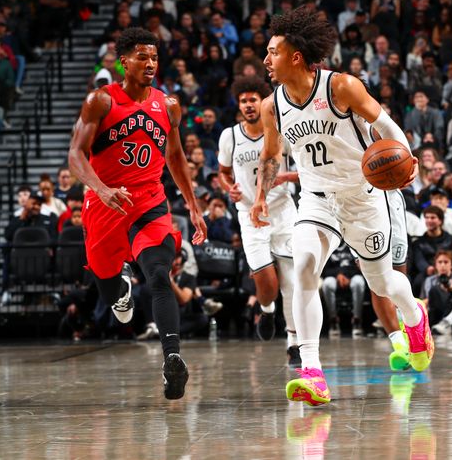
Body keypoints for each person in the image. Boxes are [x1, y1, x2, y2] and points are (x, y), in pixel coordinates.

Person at [252, 6, 432, 407]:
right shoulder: (272, 106)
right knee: (303, 266)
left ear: (295, 56)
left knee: (383, 284)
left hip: (364, 197)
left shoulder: (341, 87)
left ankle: (416, 318)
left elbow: (383, 125)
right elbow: (270, 156)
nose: (266, 60)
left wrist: (406, 154)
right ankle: (312, 372)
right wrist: (261, 197)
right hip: (316, 200)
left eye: (272, 52)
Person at [68, 28, 207, 401]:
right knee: (107, 283)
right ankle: (120, 292)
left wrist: (193, 205)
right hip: (106, 203)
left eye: (155, 57)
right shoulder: (100, 101)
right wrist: (100, 188)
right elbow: (76, 155)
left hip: (149, 201)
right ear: (123, 61)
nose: (150, 64)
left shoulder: (169, 105)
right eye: (142, 57)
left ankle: (172, 357)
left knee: (160, 274)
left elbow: (176, 158)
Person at [217, 76, 300, 365]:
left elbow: (305, 172)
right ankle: (266, 310)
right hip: (249, 215)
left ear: (263, 102)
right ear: (238, 104)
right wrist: (229, 187)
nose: (249, 104)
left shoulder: (282, 132)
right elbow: (223, 172)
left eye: (254, 99)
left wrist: (285, 177)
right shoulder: (230, 136)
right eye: (244, 100)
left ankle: (294, 343)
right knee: (267, 281)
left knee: (291, 280)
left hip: (282, 211)